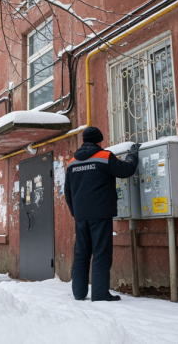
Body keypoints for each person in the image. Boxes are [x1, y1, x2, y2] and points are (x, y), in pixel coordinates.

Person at [64, 127, 138, 302]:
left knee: (81, 253)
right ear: (99, 140)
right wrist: (133, 155)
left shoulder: (72, 162)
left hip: (81, 216)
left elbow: (68, 192)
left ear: (84, 141)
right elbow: (126, 170)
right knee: (101, 252)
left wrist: (76, 212)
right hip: (100, 213)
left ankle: (79, 292)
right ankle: (99, 294)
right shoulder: (104, 156)